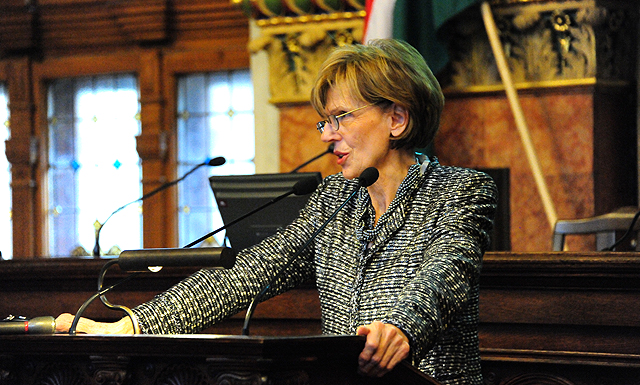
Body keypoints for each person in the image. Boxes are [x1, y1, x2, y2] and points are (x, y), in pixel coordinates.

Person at [56, 39, 497, 385]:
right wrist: (132, 326)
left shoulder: (461, 191)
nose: (327, 135)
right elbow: (247, 274)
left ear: (396, 119)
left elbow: (445, 277)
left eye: (341, 117)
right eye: (325, 121)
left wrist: (399, 329)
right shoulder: (334, 200)